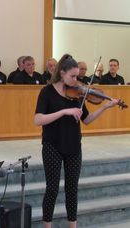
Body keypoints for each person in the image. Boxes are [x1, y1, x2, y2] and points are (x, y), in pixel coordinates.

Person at [34, 54, 118, 228]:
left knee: (72, 189)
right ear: (62, 73)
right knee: (52, 189)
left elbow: (86, 120)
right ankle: (46, 226)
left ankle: (73, 225)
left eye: (77, 76)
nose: (76, 80)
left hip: (73, 145)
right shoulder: (47, 92)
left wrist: (104, 107)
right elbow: (38, 119)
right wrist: (64, 112)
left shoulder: (79, 93)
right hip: (52, 145)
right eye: (72, 76)